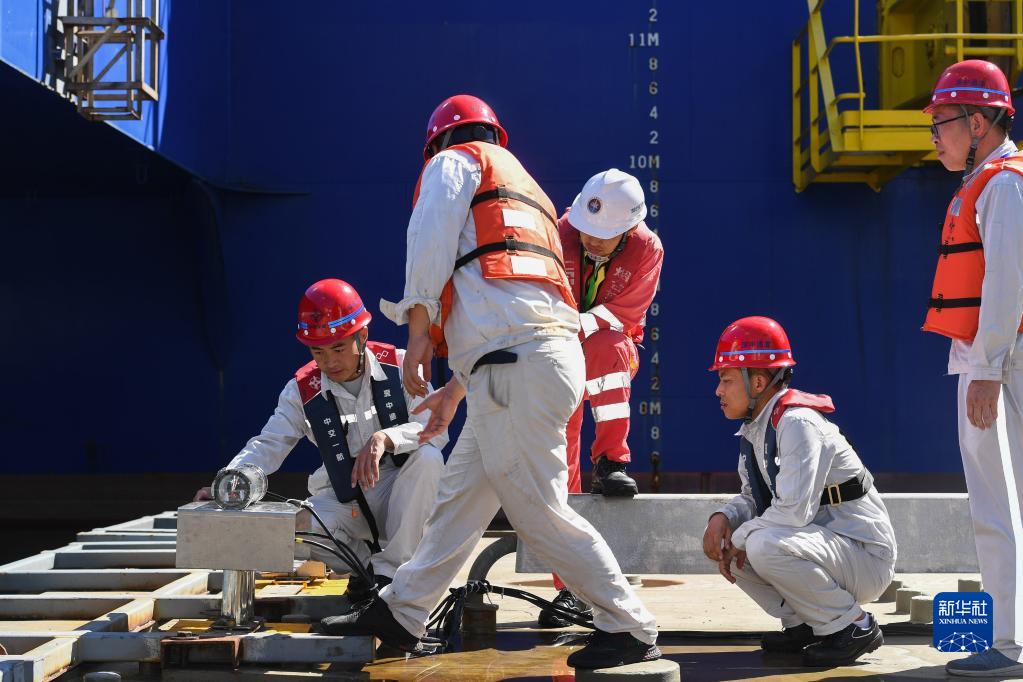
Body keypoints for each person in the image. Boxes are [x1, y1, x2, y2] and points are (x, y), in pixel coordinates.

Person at [319, 94, 659, 670]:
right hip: (519, 364)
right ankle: (402, 610)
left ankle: (629, 624)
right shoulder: (528, 189)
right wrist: (456, 392)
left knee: (538, 511)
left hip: (514, 368)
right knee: (458, 503)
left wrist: (418, 330)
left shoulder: (453, 164)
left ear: (437, 143)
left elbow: (429, 241)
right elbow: (506, 306)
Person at [194, 279, 446, 597]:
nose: (329, 362)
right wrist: (232, 480)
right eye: (318, 351)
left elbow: (434, 428)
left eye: (338, 348)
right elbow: (270, 442)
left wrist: (386, 437)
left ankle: (392, 575)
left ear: (362, 336)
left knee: (428, 458)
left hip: (403, 491)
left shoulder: (400, 366)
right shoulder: (302, 391)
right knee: (303, 525)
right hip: (347, 496)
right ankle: (367, 573)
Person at [703, 316, 896, 667]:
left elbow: (793, 512)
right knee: (735, 543)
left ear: (757, 381)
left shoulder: (796, 423)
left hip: (864, 556)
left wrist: (742, 536)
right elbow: (754, 498)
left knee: (760, 543)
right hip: (825, 548)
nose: (718, 391)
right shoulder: (757, 428)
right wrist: (724, 519)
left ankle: (854, 627)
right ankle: (806, 625)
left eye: (726, 379)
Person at [922, 59, 1023, 677]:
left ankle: (1007, 643)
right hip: (997, 358)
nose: (935, 135)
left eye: (942, 122)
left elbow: (1006, 283)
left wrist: (986, 368)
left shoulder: (1002, 187)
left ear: (978, 122)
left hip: (999, 365)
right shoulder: (994, 183)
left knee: (996, 503)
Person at [536, 168, 663, 629]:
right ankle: (570, 588)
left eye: (602, 235)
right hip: (558, 346)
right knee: (561, 449)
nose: (590, 240)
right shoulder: (561, 231)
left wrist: (581, 325)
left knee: (608, 351)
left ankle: (611, 462)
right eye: (586, 230)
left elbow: (627, 312)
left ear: (629, 228)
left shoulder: (648, 249)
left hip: (608, 345)